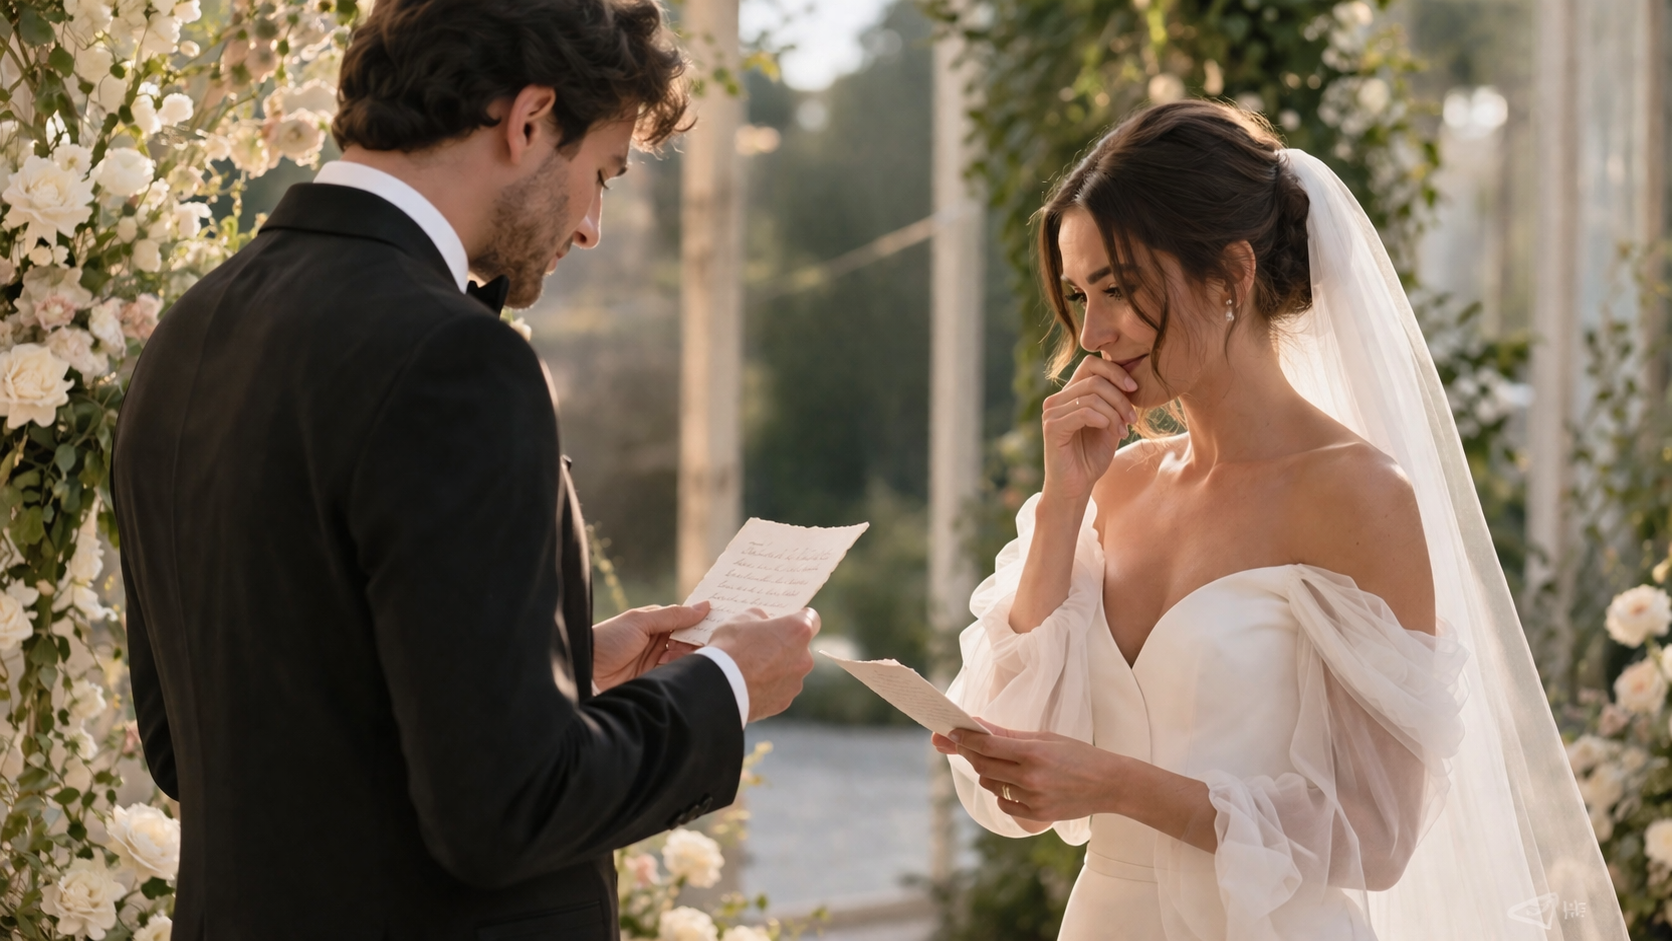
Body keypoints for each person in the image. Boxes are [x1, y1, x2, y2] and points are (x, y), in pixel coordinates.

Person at [111, 1, 818, 938]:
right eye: (599, 173)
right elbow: (507, 810)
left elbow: (191, 747)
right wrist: (723, 687)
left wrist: (545, 676)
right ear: (528, 121)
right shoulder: (454, 358)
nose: (592, 225)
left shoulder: (188, 334)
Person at [935, 100, 1626, 940]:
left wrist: (1118, 785)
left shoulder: (1358, 496)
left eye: (1118, 289)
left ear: (1230, 274)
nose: (1091, 332)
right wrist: (1062, 505)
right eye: (1080, 294)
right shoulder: (1109, 489)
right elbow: (1011, 758)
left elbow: (1376, 835)